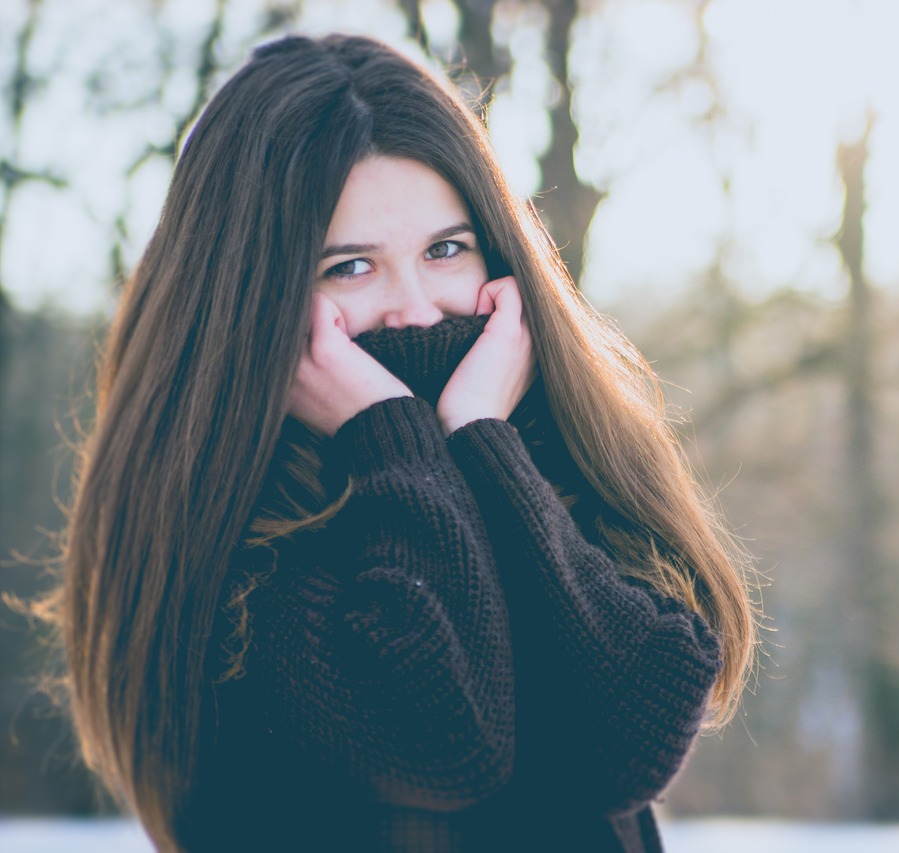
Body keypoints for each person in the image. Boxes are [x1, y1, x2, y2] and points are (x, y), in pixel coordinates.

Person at [52, 32, 757, 852]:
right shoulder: (232, 542)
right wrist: (392, 437)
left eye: (445, 249)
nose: (416, 309)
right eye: (351, 267)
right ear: (256, 295)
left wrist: (484, 442)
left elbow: (628, 743)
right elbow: (443, 742)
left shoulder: (552, 449)